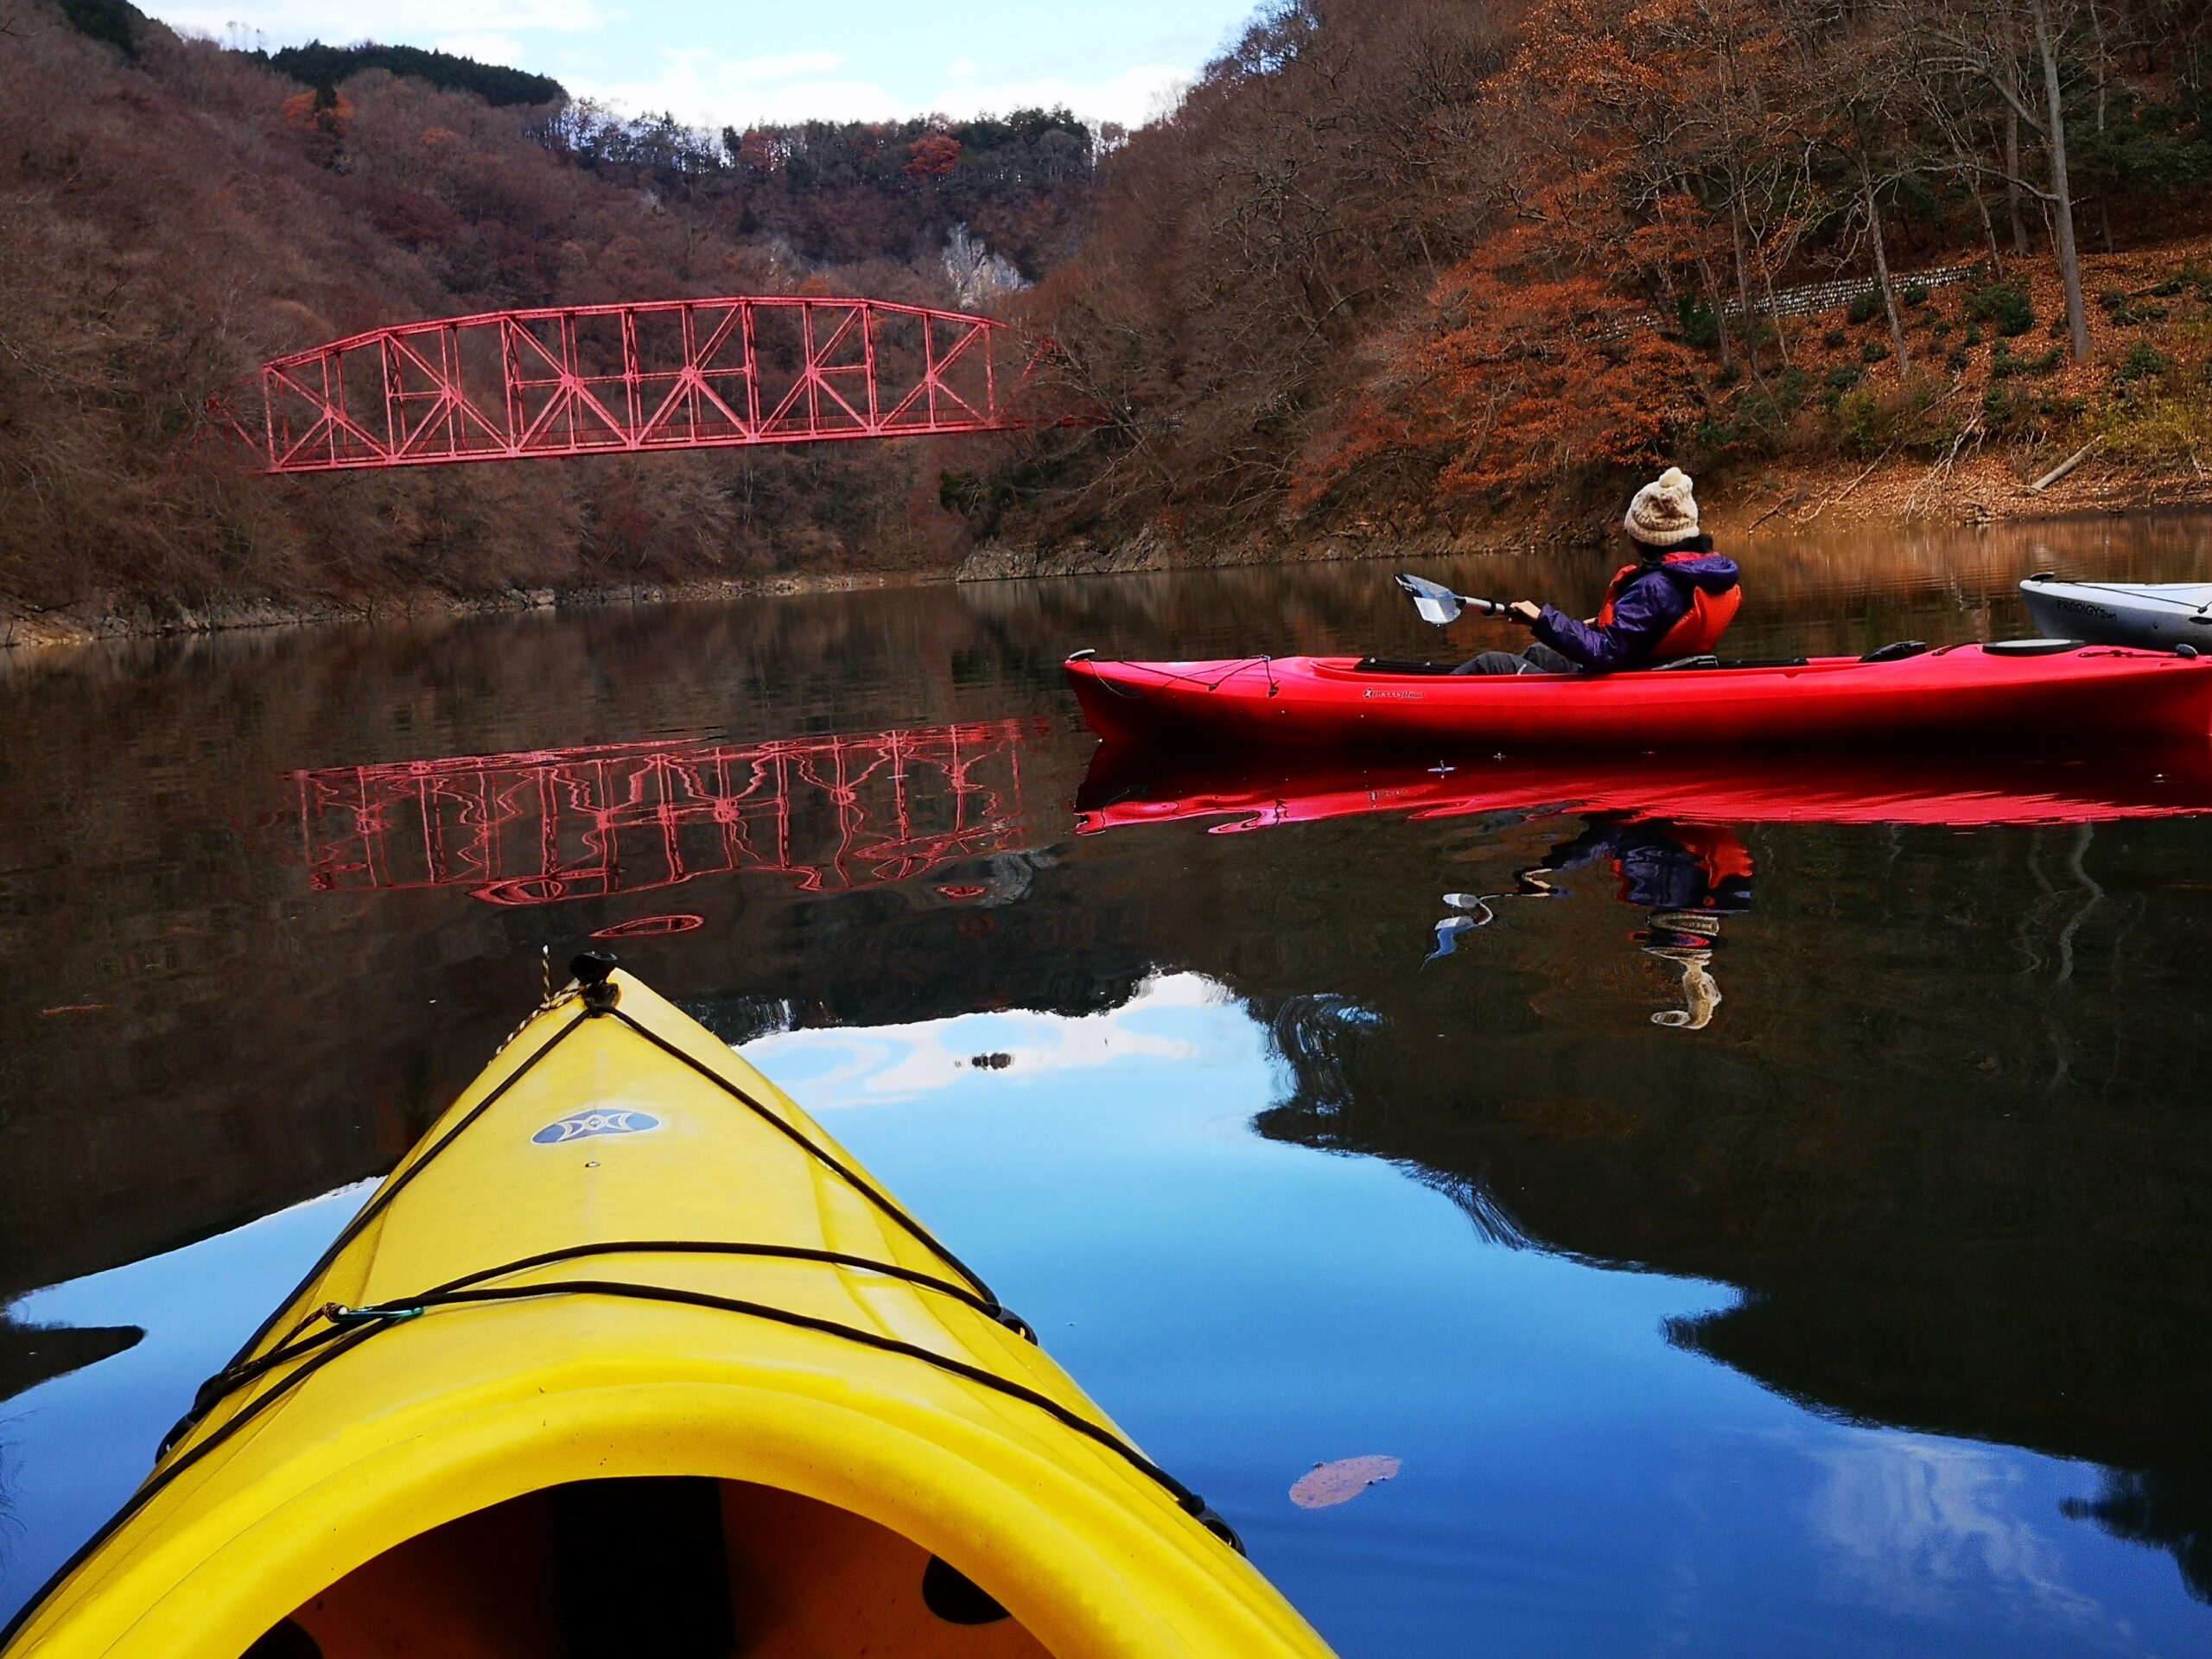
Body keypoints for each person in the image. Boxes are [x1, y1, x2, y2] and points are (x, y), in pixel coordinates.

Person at [1454, 467, 1742, 675]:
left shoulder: (1656, 586)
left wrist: (1542, 619)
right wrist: (1591, 624)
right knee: (1539, 653)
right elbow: (1646, 630)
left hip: (1625, 682)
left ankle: (1428, 698)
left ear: (1645, 537)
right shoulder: (1696, 572)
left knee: (1491, 664)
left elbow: (1606, 652)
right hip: (1646, 667)